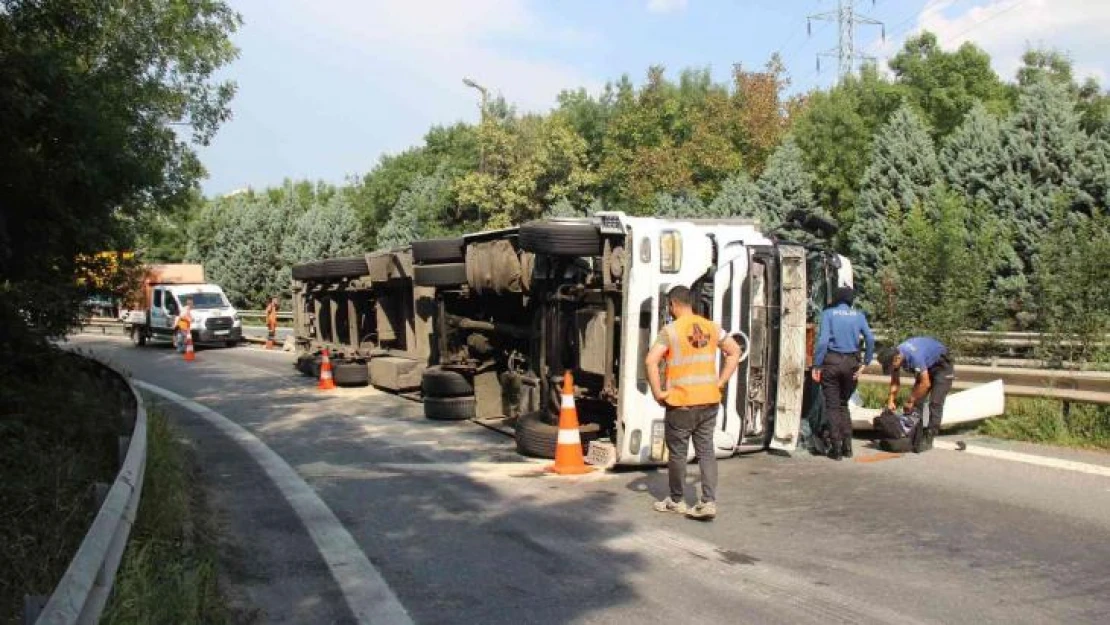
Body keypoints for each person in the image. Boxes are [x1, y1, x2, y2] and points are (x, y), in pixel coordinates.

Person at [645, 285, 743, 521]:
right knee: (706, 451)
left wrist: (658, 393)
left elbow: (650, 361)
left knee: (678, 453)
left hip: (681, 402)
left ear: (673, 305)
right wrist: (720, 381)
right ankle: (708, 502)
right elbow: (735, 351)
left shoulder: (671, 331)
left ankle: (676, 501)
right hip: (709, 400)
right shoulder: (711, 327)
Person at [811, 286, 874, 460]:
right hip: (852, 364)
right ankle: (848, 447)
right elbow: (869, 338)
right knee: (843, 404)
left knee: (832, 406)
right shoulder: (859, 315)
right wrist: (866, 362)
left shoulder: (829, 314)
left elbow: (823, 341)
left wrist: (817, 365)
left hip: (831, 362)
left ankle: (836, 448)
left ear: (836, 298)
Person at [877, 336, 954, 452]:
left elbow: (926, 383)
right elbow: (895, 382)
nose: (892, 369)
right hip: (926, 366)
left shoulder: (914, 357)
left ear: (897, 359)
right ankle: (916, 434)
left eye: (891, 366)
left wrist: (910, 400)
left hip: (942, 367)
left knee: (935, 403)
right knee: (917, 403)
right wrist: (891, 400)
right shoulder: (894, 354)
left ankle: (930, 435)